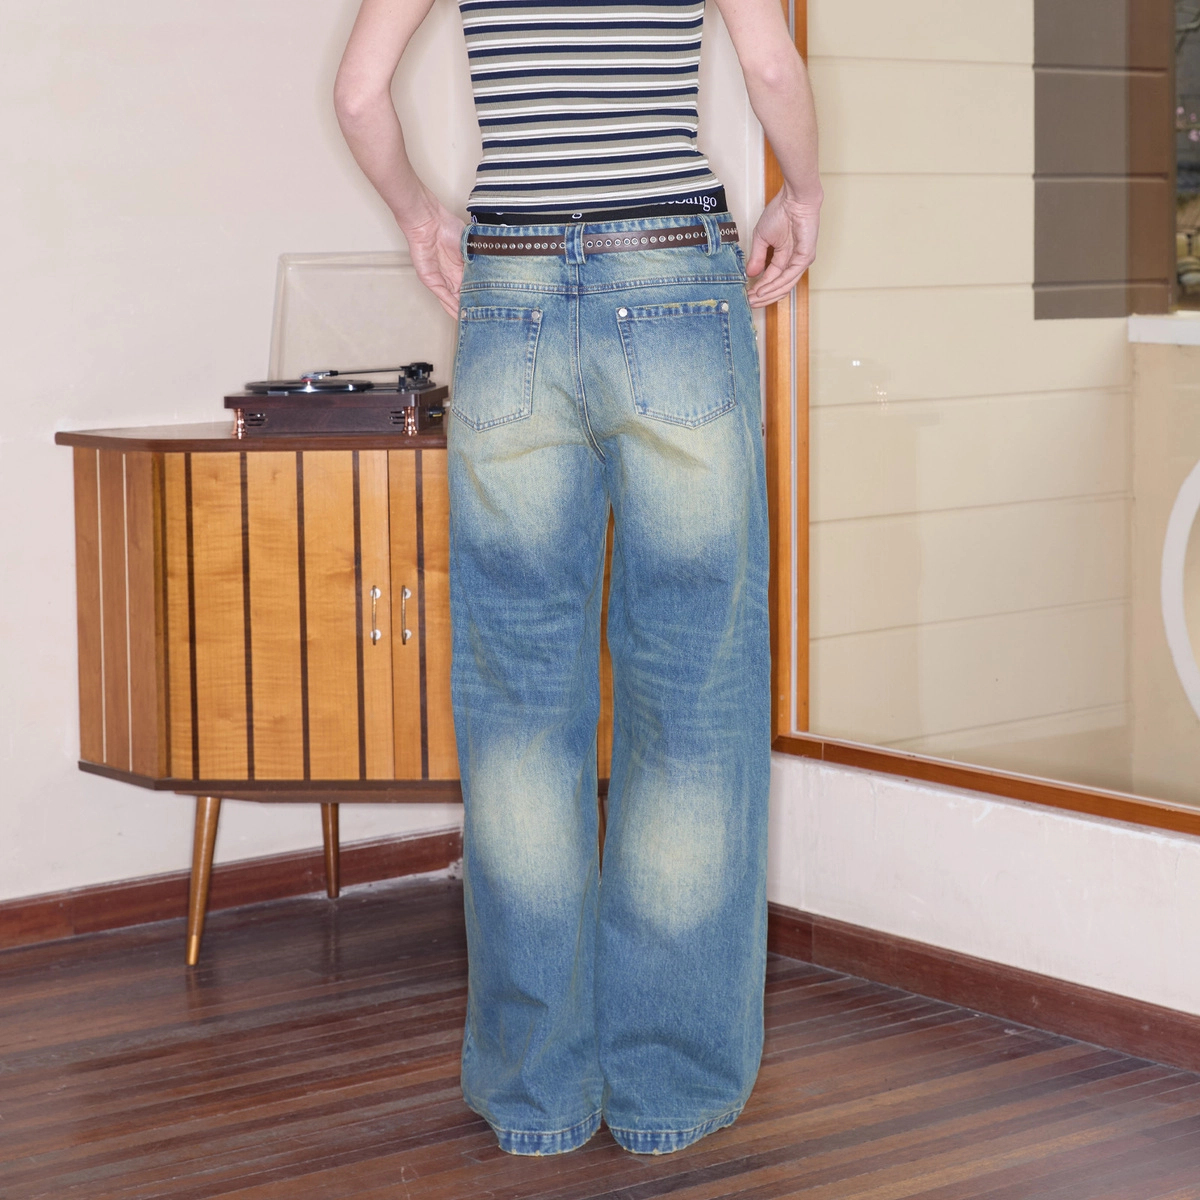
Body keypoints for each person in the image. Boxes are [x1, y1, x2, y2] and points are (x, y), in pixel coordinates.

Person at [335, 0, 821, 1156]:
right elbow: (767, 60)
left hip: (508, 292)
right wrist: (803, 193)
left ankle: (536, 1094)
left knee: (517, 703)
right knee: (694, 689)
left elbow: (358, 94)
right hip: (673, 279)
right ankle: (668, 1089)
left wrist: (417, 212)